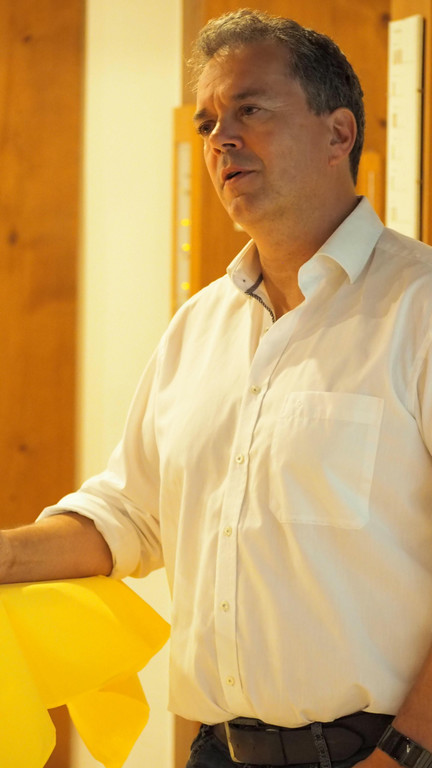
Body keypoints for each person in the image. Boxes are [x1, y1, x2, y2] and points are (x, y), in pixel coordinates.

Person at [2, 8, 432, 768]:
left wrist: (407, 754)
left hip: (381, 753)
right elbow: (130, 517)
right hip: (215, 750)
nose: (220, 139)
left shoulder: (420, 307)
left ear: (339, 133)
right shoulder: (196, 327)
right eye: (207, 123)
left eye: (250, 110)